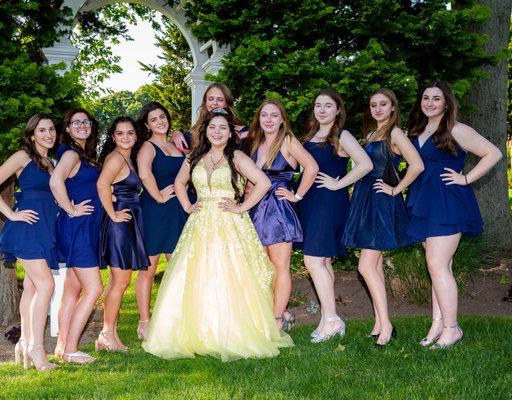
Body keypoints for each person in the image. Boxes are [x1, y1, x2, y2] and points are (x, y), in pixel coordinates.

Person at [142, 108, 293, 361]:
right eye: (213, 127)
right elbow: (180, 183)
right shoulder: (194, 157)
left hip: (230, 222)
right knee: (196, 275)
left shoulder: (236, 157)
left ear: (229, 132)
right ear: (206, 130)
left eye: (223, 127)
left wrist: (242, 207)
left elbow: (264, 183)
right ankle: (198, 332)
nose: (217, 132)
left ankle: (231, 332)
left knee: (230, 274)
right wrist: (188, 206)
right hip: (200, 222)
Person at [406, 81, 502, 349]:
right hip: (423, 202)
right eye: (426, 98)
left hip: (447, 203)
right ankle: (437, 323)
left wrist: (466, 178)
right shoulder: (419, 130)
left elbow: (493, 153)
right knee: (438, 266)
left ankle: (452, 328)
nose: (430, 103)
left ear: (446, 103)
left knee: (437, 264)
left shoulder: (456, 129)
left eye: (436, 99)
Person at [341, 88, 424, 346]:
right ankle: (379, 322)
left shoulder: (395, 133)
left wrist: (396, 189)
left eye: (382, 104)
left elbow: (417, 164)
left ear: (392, 108)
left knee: (365, 266)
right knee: (374, 265)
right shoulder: (369, 135)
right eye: (373, 104)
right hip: (365, 199)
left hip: (380, 200)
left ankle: (387, 326)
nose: (377, 109)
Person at [0, 113, 58, 371]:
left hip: (44, 230)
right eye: (42, 130)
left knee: (33, 288)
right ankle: (37, 347)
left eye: (51, 129)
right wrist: (11, 213)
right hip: (25, 229)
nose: (49, 134)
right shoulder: (22, 157)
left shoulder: (52, 162)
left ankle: (24, 343)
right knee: (46, 285)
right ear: (32, 135)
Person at [296, 89, 373, 343]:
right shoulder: (310, 135)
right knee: (323, 262)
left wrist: (339, 184)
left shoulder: (342, 135)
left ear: (338, 110)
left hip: (328, 202)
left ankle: (331, 319)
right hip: (311, 202)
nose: (322, 110)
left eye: (328, 106)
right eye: (318, 105)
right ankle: (328, 318)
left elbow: (365, 164)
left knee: (313, 261)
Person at [243, 99, 319, 331]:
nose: (268, 119)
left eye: (274, 115)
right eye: (264, 115)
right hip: (255, 209)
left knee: (280, 267)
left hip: (278, 209)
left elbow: (312, 167)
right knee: (261, 266)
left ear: (282, 120)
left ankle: (277, 320)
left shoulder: (287, 141)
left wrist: (297, 195)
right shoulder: (255, 142)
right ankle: (272, 312)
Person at [49, 108, 103, 363]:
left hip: (84, 228)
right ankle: (71, 349)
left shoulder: (82, 154)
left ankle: (61, 346)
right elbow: (55, 181)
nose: (82, 125)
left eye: (86, 121)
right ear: (67, 129)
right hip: (78, 228)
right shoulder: (70, 153)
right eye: (75, 122)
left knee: (73, 288)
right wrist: (70, 209)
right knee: (94, 289)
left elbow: (79, 185)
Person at [96, 116, 150, 352]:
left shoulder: (126, 158)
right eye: (120, 133)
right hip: (120, 224)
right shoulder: (117, 158)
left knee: (118, 282)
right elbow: (101, 185)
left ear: (136, 136)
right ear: (113, 136)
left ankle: (110, 334)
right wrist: (113, 213)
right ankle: (107, 334)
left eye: (130, 133)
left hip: (128, 222)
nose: (126, 137)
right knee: (120, 281)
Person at [135, 102, 188, 340]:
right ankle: (144, 322)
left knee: (178, 268)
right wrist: (158, 196)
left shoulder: (176, 144)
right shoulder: (147, 146)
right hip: (155, 211)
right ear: (147, 124)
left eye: (162, 117)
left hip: (178, 211)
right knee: (149, 268)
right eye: (154, 119)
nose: (160, 121)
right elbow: (144, 173)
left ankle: (175, 319)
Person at [171, 82, 248, 152]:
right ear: (205, 103)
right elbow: (170, 149)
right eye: (211, 99)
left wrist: (245, 134)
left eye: (220, 99)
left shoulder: (244, 131)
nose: (215, 103)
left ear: (227, 104)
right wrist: (175, 133)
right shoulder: (194, 133)